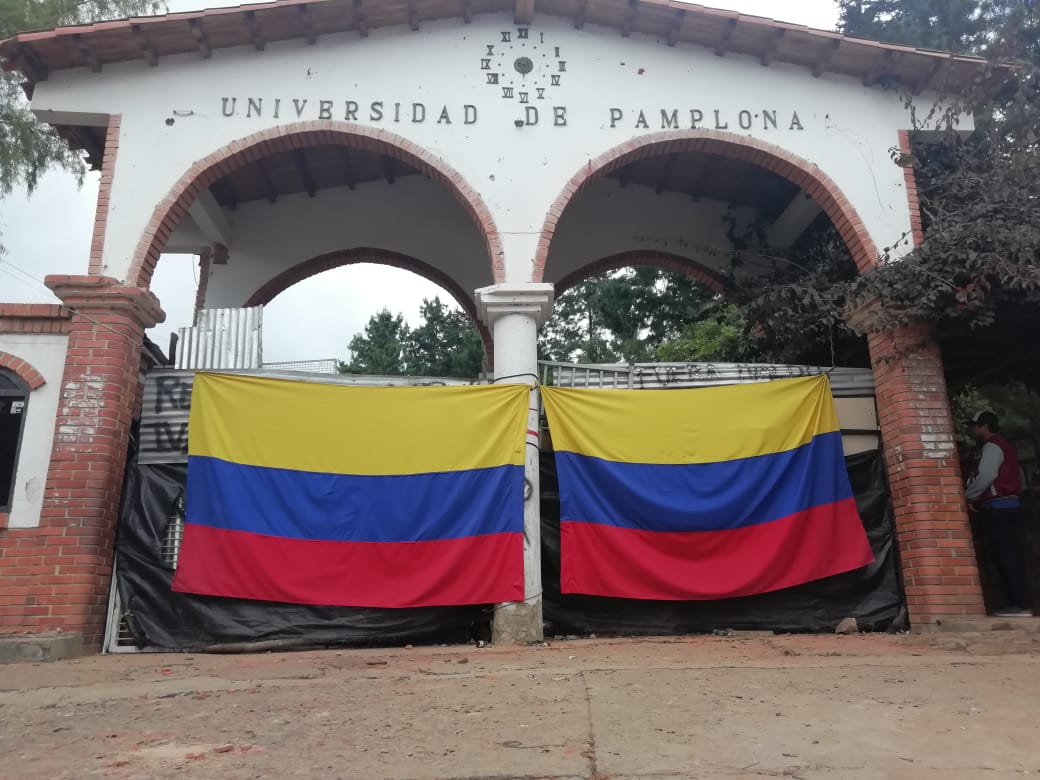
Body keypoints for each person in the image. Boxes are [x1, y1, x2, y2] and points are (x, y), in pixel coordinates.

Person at [965, 410, 1032, 617]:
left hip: (999, 508)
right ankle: (1018, 602)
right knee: (1011, 555)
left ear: (984, 426)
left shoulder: (992, 446)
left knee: (1006, 556)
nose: (972, 429)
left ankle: (1019, 604)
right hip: (1010, 506)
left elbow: (986, 475)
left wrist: (968, 495)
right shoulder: (1006, 447)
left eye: (975, 425)